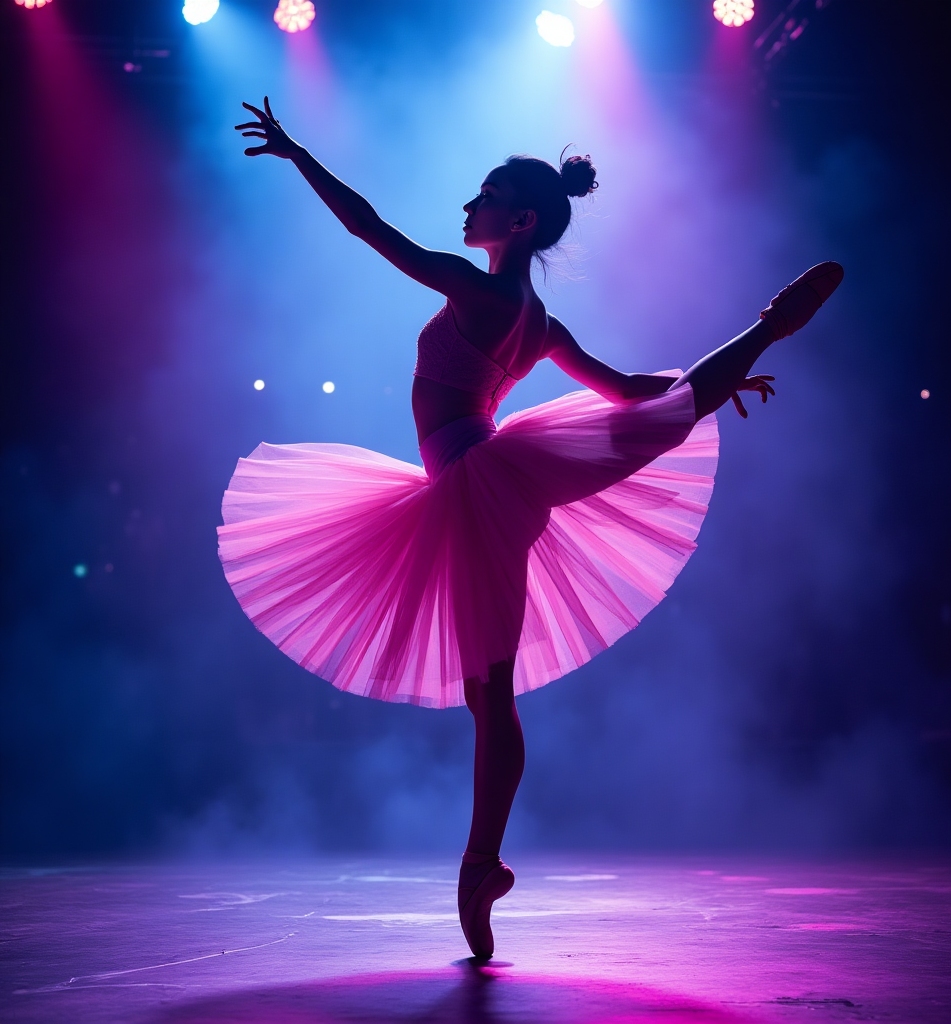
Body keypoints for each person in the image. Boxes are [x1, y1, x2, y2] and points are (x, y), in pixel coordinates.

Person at [220, 97, 844, 960]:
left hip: (480, 478)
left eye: (484, 194)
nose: (467, 204)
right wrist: (703, 393)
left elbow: (373, 231)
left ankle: (481, 864)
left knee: (493, 695)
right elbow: (630, 392)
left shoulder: (477, 290)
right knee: (492, 692)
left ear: (517, 220)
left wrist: (298, 155)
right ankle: (480, 868)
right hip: (485, 489)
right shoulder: (541, 324)